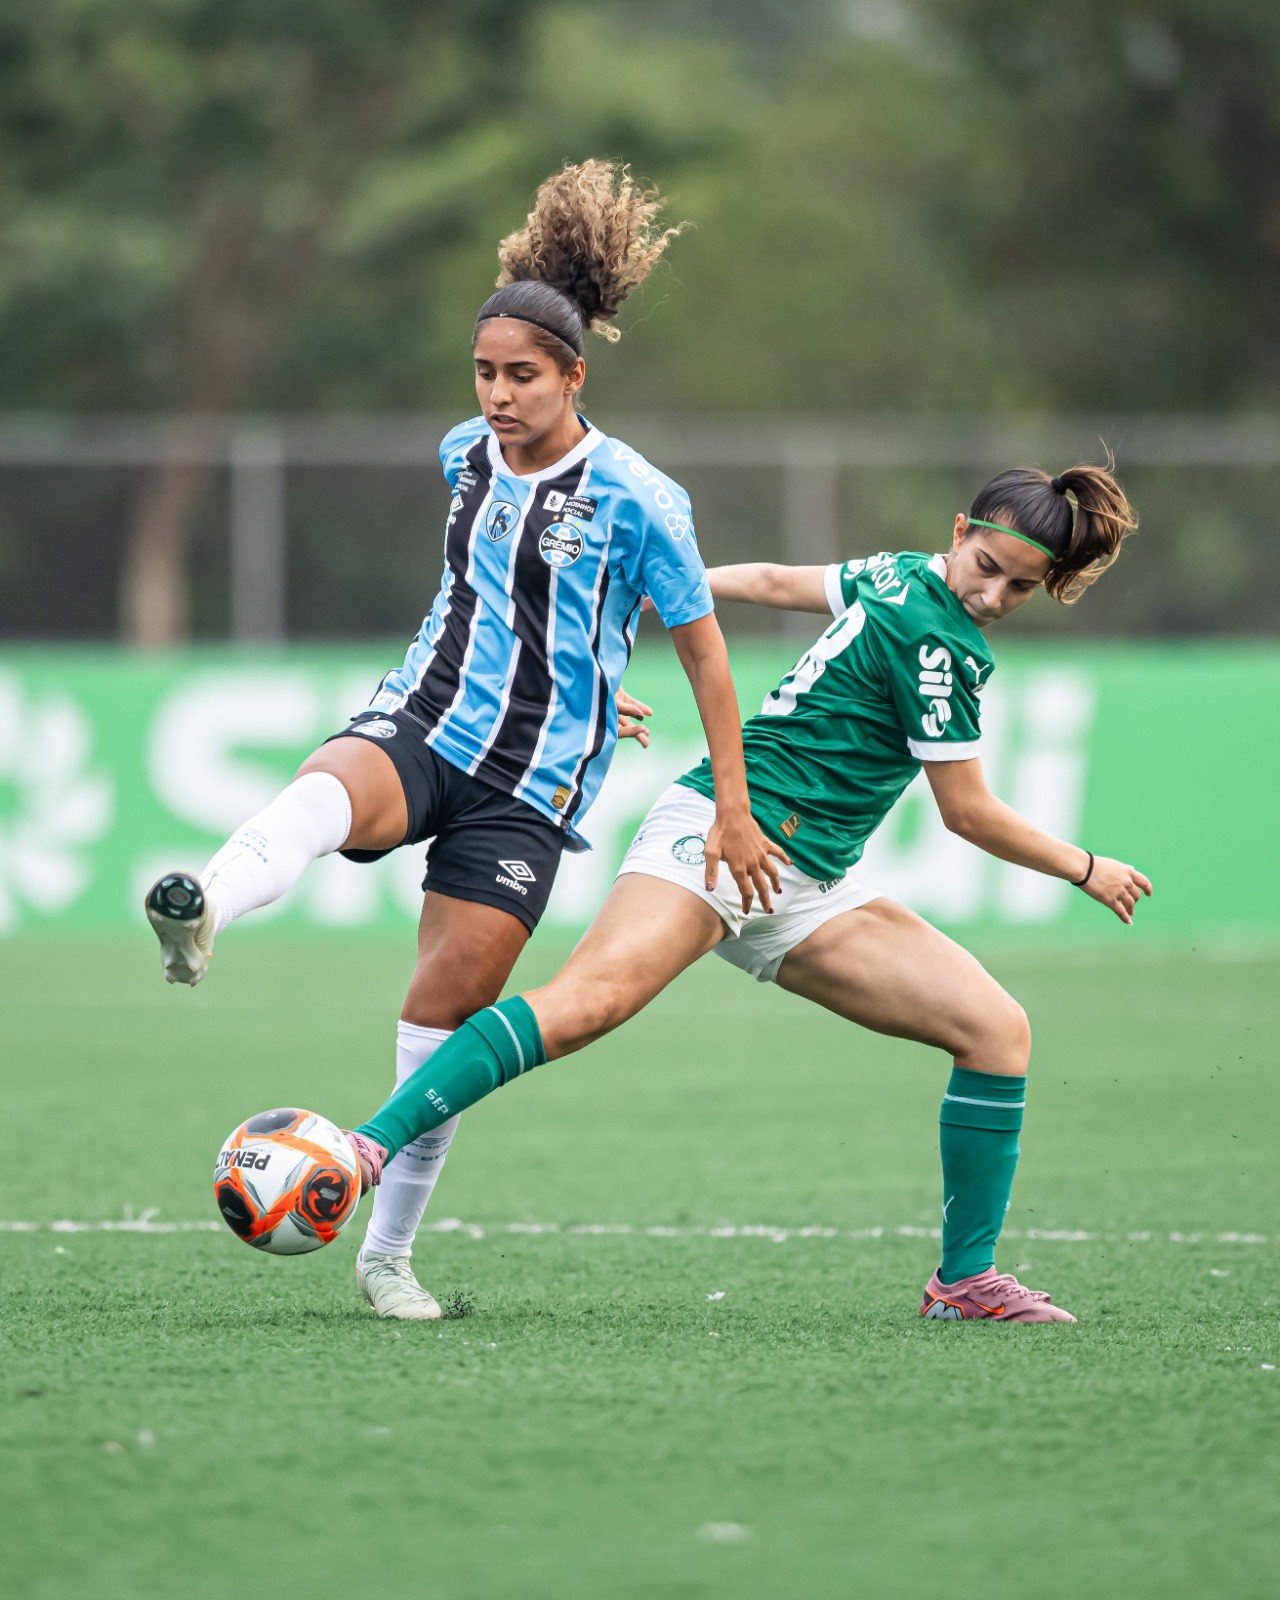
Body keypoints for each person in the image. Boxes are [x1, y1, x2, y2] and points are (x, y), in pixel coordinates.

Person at [146, 160, 782, 1319]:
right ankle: (204, 913)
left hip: (532, 786)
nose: (497, 396)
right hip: (427, 718)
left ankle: (384, 1257)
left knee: (441, 1021)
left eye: (522, 377)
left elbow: (700, 651)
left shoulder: (645, 498)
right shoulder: (462, 454)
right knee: (328, 782)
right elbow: (496, 597)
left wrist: (724, 799)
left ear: (573, 376)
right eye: (484, 373)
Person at [347, 460, 1152, 1323]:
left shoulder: (895, 573)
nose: (993, 596)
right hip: (721, 834)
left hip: (802, 882)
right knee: (586, 1005)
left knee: (995, 1031)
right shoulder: (938, 642)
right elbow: (967, 814)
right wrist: (1084, 866)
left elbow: (770, 580)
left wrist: (672, 592)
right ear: (959, 533)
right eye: (987, 568)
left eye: (1020, 587)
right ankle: (364, 1147)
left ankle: (964, 1281)